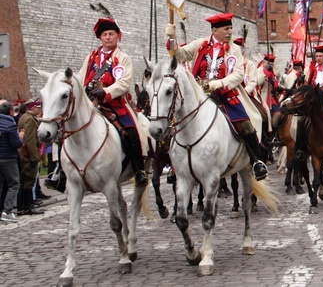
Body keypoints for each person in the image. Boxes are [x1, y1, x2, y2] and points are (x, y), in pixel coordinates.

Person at [166, 12, 268, 180]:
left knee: (245, 123)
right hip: (198, 93)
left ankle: (257, 161)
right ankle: (175, 165)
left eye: (230, 29)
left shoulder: (234, 49)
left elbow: (238, 75)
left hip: (224, 93)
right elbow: (180, 54)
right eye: (226, 29)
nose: (230, 32)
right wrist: (172, 39)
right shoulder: (200, 44)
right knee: (176, 120)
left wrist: (218, 84)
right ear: (214, 30)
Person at [80, 18, 148, 187]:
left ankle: (139, 170)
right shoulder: (91, 57)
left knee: (131, 130)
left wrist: (106, 92)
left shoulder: (123, 58)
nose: (108, 37)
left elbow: (124, 83)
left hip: (115, 103)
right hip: (90, 101)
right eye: (105, 34)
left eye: (111, 34)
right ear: (100, 37)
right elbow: (81, 77)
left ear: (118, 37)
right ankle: (61, 172)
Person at [16, 98, 44, 215]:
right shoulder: (29, 120)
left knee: (24, 181)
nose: (40, 109)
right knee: (28, 180)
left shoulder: (26, 117)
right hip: (28, 155)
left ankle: (23, 206)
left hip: (25, 154)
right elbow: (30, 140)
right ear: (33, 107)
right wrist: (34, 157)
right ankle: (27, 206)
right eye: (38, 107)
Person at [1, 100, 23, 222]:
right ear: (10, 112)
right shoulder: (10, 124)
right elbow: (15, 144)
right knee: (14, 183)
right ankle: (7, 211)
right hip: (8, 158)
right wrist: (20, 138)